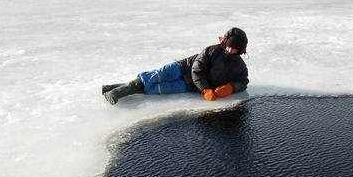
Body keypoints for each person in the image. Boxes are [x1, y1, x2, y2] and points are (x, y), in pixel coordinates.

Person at [102, 27, 249, 105]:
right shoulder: (211, 50)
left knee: (157, 89)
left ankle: (117, 88)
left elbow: (243, 81)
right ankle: (119, 91)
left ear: (240, 49)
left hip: (189, 86)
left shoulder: (239, 66)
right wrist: (205, 90)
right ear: (225, 43)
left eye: (234, 48)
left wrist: (231, 87)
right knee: (155, 77)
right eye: (229, 46)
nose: (230, 50)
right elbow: (197, 70)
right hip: (182, 68)